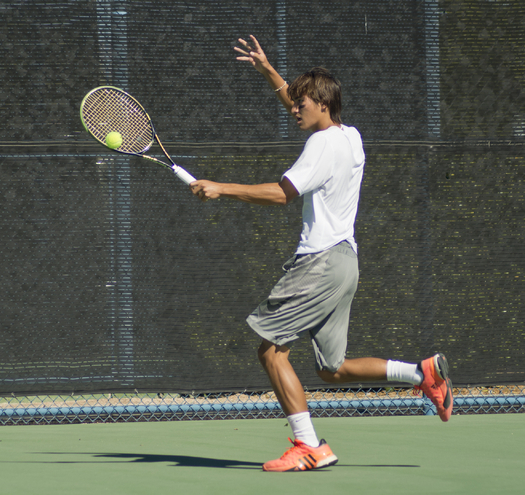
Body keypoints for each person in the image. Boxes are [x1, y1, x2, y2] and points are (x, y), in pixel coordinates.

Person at [189, 36, 453, 472]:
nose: (294, 109)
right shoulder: (351, 137)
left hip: (320, 262)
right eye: (292, 103)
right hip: (346, 261)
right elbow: (301, 107)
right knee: (331, 368)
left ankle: (309, 445)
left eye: (301, 104)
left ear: (323, 106)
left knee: (271, 351)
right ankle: (422, 374)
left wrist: (221, 187)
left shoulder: (321, 145)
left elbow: (280, 194)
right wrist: (270, 73)